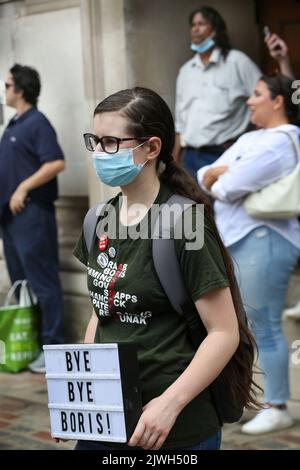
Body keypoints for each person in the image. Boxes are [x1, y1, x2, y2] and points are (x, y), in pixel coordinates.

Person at [72, 86, 259, 451]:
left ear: (152, 148)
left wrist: (168, 406)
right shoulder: (99, 218)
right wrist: (84, 396)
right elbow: (101, 312)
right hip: (109, 421)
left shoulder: (184, 224)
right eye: (94, 140)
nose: (98, 153)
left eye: (111, 142)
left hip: (175, 429)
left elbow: (223, 333)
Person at [198, 74, 300, 434]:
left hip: (266, 238)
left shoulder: (283, 141)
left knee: (265, 325)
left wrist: (220, 176)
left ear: (277, 101)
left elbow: (228, 187)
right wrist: (217, 174)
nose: (249, 101)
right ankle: (248, 399)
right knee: (242, 327)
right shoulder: (249, 138)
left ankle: (278, 405)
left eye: (257, 94)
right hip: (240, 238)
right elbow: (202, 176)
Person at [0, 64, 65, 373]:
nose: (5, 90)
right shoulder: (14, 124)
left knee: (43, 282)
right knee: (22, 282)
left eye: (8, 85)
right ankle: (32, 344)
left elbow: (56, 162)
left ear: (20, 90)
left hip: (32, 215)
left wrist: (23, 188)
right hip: (10, 220)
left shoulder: (38, 123)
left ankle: (53, 348)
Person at [173, 5, 261, 178]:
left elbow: (266, 100)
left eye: (202, 23)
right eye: (193, 24)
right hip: (189, 157)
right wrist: (175, 161)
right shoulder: (185, 71)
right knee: (194, 205)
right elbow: (180, 124)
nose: (196, 29)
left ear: (216, 29)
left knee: (222, 206)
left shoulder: (237, 62)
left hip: (223, 154)